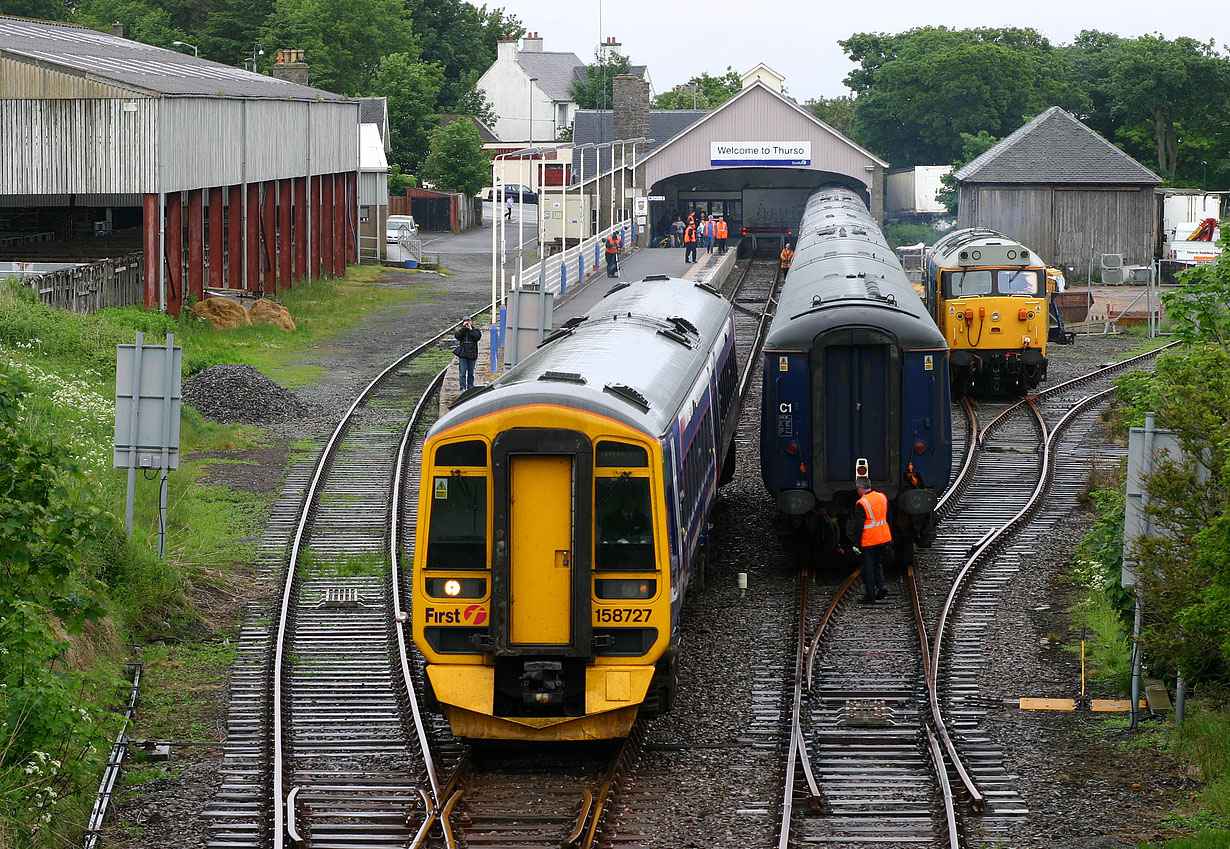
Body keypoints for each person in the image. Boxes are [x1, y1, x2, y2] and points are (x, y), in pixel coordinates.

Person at [848, 476, 891, 603]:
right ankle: (882, 586)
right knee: (877, 563)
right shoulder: (882, 497)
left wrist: (856, 543)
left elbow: (859, 525)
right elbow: (889, 517)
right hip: (883, 537)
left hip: (869, 540)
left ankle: (870, 595)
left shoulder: (862, 503)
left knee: (868, 567)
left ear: (860, 488)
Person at [453, 318, 482, 391]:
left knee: (471, 373)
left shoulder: (476, 331)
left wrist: (471, 329)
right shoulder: (462, 331)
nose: (468, 323)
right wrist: (463, 328)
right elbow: (457, 336)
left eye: (469, 321)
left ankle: (470, 386)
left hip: (472, 354)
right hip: (463, 354)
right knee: (462, 373)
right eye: (466, 322)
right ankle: (462, 387)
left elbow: (477, 337)